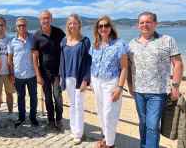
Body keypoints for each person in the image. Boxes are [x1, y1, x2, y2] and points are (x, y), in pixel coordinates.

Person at [127, 11, 184, 148]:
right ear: (137, 25)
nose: (144, 25)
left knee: (152, 125)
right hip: (138, 91)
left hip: (158, 92)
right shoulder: (131, 44)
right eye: (142, 22)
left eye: (148, 22)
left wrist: (175, 86)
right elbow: (129, 67)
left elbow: (178, 63)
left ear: (155, 24)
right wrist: (130, 86)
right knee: (143, 123)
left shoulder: (167, 40)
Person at [90, 16, 128, 148]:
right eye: (100, 26)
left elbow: (124, 67)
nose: (103, 28)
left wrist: (120, 87)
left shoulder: (119, 44)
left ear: (111, 27)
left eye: (106, 25)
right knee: (100, 112)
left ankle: (110, 144)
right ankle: (105, 139)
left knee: (109, 114)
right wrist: (90, 81)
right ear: (97, 29)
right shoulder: (95, 45)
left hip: (111, 82)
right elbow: (92, 64)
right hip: (96, 81)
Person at [59, 14, 91, 145]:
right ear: (68, 25)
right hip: (67, 77)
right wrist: (61, 76)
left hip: (79, 78)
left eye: (75, 23)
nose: (72, 25)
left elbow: (88, 62)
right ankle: (74, 129)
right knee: (72, 104)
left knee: (79, 105)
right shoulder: (64, 41)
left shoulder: (85, 41)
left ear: (79, 25)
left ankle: (79, 133)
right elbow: (62, 60)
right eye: (70, 23)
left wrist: (86, 79)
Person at [32, 10, 65, 130]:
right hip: (44, 73)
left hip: (58, 72)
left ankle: (59, 119)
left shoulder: (59, 32)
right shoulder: (36, 35)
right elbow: (35, 57)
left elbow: (65, 50)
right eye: (43, 18)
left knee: (57, 97)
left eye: (47, 18)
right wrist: (38, 75)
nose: (45, 20)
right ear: (40, 20)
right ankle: (51, 120)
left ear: (51, 19)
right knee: (48, 98)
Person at [8, 17, 39, 128]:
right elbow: (9, 59)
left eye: (23, 25)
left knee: (33, 97)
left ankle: (33, 117)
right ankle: (21, 118)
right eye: (19, 25)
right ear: (16, 27)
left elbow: (38, 54)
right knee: (20, 97)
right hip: (18, 75)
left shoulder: (33, 38)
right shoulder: (12, 41)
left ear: (27, 26)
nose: (22, 27)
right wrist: (11, 74)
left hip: (32, 74)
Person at [0, 17, 15, 125]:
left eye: (1, 25)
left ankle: (10, 113)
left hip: (8, 72)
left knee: (9, 93)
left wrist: (12, 72)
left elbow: (13, 56)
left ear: (5, 27)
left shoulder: (10, 40)